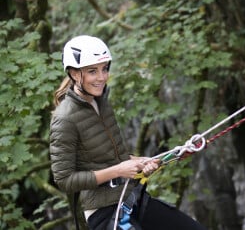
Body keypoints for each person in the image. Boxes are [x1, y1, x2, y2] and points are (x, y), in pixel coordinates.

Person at [49, 35, 206, 230]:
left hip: (132, 198)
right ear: (73, 73)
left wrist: (140, 161)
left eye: (104, 69)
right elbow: (64, 180)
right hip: (104, 212)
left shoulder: (102, 103)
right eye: (92, 71)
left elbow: (113, 157)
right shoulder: (64, 119)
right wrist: (119, 170)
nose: (101, 77)